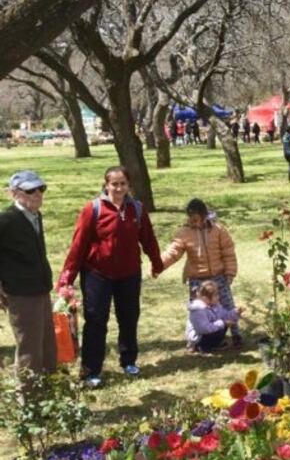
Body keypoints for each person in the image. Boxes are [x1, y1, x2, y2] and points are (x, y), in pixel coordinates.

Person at [59, 166, 164, 387]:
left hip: (129, 274)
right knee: (96, 321)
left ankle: (128, 361)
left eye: (122, 184)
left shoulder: (136, 208)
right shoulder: (93, 209)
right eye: (114, 184)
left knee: (129, 318)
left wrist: (157, 262)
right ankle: (91, 370)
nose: (118, 188)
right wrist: (66, 279)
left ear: (129, 185)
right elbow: (78, 247)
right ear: (106, 185)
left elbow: (148, 239)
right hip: (98, 274)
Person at [160, 198, 241, 347]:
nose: (195, 223)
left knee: (227, 305)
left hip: (219, 276)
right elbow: (173, 252)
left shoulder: (218, 230)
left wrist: (230, 273)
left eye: (198, 220)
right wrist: (159, 264)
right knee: (197, 310)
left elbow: (228, 252)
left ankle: (236, 335)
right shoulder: (184, 233)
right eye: (192, 220)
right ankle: (193, 341)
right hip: (197, 279)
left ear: (205, 215)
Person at [0, 171, 57, 375]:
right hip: (21, 293)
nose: (37, 194)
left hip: (41, 288)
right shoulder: (6, 220)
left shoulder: (35, 215)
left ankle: (51, 394)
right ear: (14, 193)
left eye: (41, 188)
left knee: (48, 344)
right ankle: (28, 400)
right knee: (30, 349)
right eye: (30, 190)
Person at [186, 280, 241, 353]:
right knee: (222, 327)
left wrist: (235, 312)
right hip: (199, 337)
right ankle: (201, 346)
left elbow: (225, 315)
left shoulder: (216, 306)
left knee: (223, 326)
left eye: (217, 294)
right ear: (205, 298)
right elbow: (204, 329)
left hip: (208, 331)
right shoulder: (199, 310)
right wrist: (223, 323)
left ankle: (213, 344)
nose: (218, 297)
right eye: (215, 295)